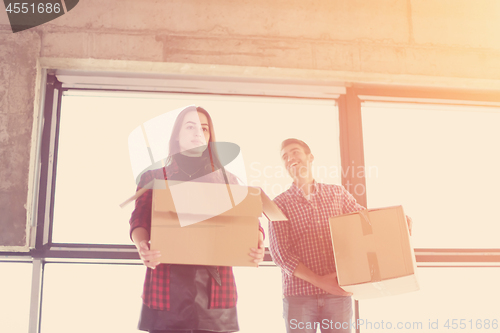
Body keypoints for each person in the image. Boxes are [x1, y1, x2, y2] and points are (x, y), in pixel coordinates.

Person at [129, 106, 265, 333]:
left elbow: (250, 220)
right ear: (177, 135)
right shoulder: (154, 176)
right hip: (166, 285)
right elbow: (139, 219)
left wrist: (258, 242)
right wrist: (142, 246)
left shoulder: (227, 180)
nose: (198, 134)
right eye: (190, 127)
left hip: (215, 290)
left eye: (204, 129)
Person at [269, 138, 411, 333]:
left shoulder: (337, 194)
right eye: (285, 157)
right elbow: (281, 255)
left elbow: (365, 221)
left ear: (310, 157)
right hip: (299, 295)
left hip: (337, 295)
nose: (290, 158)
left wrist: (396, 220)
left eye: (294, 152)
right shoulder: (279, 203)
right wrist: (321, 282)